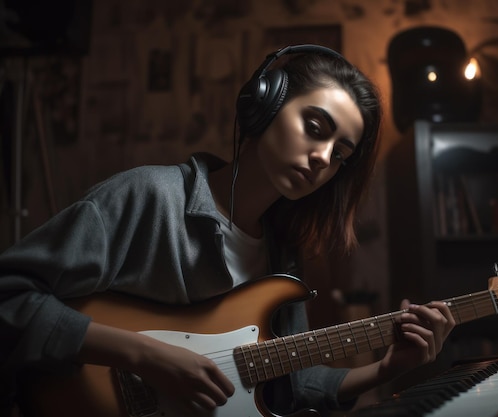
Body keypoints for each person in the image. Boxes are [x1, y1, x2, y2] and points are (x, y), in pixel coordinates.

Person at [0, 45, 455, 416]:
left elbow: (289, 385)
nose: (323, 158)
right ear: (263, 107)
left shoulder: (283, 256)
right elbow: (10, 296)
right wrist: (142, 355)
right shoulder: (149, 196)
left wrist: (386, 368)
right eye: (315, 128)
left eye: (340, 154)